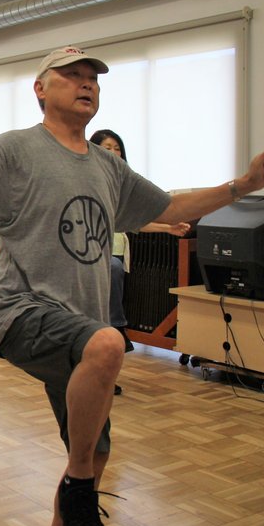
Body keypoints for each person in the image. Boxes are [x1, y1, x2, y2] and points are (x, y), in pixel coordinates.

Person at [0, 45, 264, 526]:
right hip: (22, 311)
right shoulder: (14, 149)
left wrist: (242, 186)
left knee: (95, 447)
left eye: (93, 79)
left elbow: (170, 204)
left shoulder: (107, 167)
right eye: (73, 76)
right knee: (110, 344)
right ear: (40, 89)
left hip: (80, 328)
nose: (87, 84)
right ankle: (80, 489)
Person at [89, 129, 190, 395]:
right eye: (106, 148)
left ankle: (109, 360)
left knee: (112, 277)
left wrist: (167, 228)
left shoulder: (124, 185)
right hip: (90, 260)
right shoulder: (89, 182)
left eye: (117, 148)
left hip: (117, 256)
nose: (113, 153)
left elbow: (134, 222)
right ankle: (117, 331)